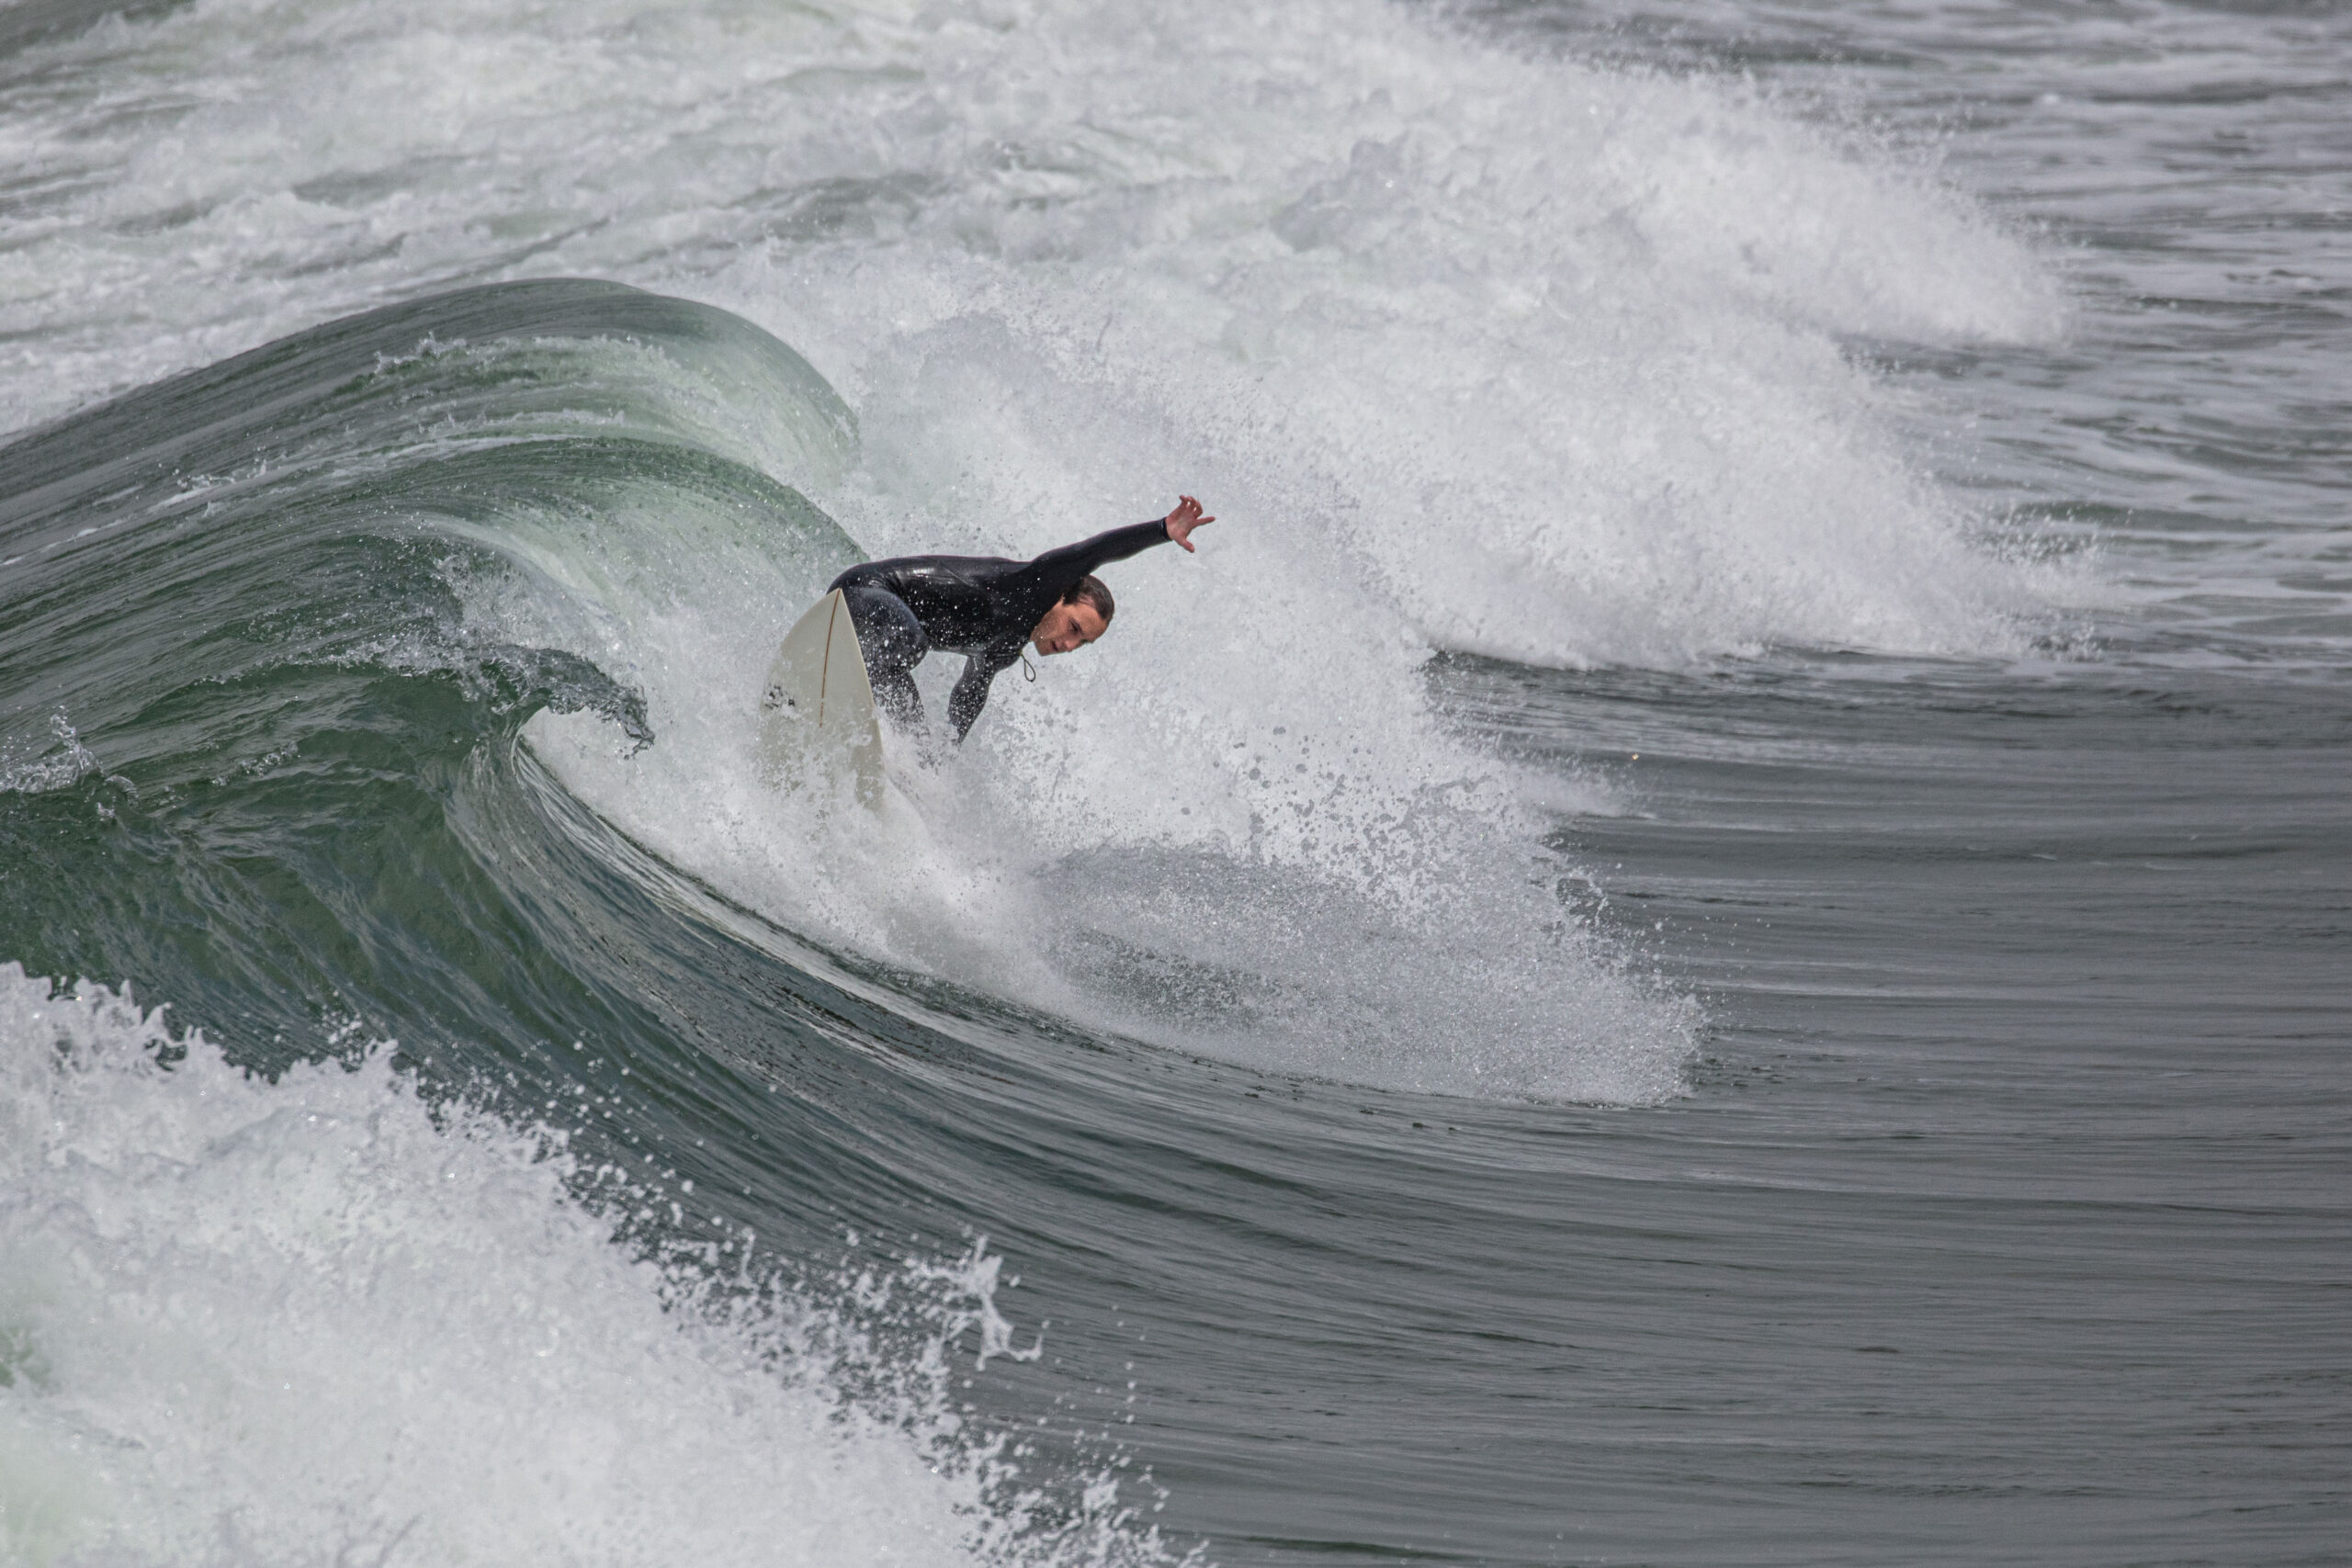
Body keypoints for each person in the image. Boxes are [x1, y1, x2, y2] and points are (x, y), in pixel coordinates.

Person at [828, 495, 1216, 744]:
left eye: (1082, 643)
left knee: (917, 739)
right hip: (863, 593)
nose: (1069, 645)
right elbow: (1094, 551)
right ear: (1060, 598)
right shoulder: (1033, 585)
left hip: (878, 638)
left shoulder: (1006, 648)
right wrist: (1161, 531)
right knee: (910, 643)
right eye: (1074, 628)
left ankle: (862, 725)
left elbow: (969, 694)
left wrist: (943, 754)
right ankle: (842, 685)